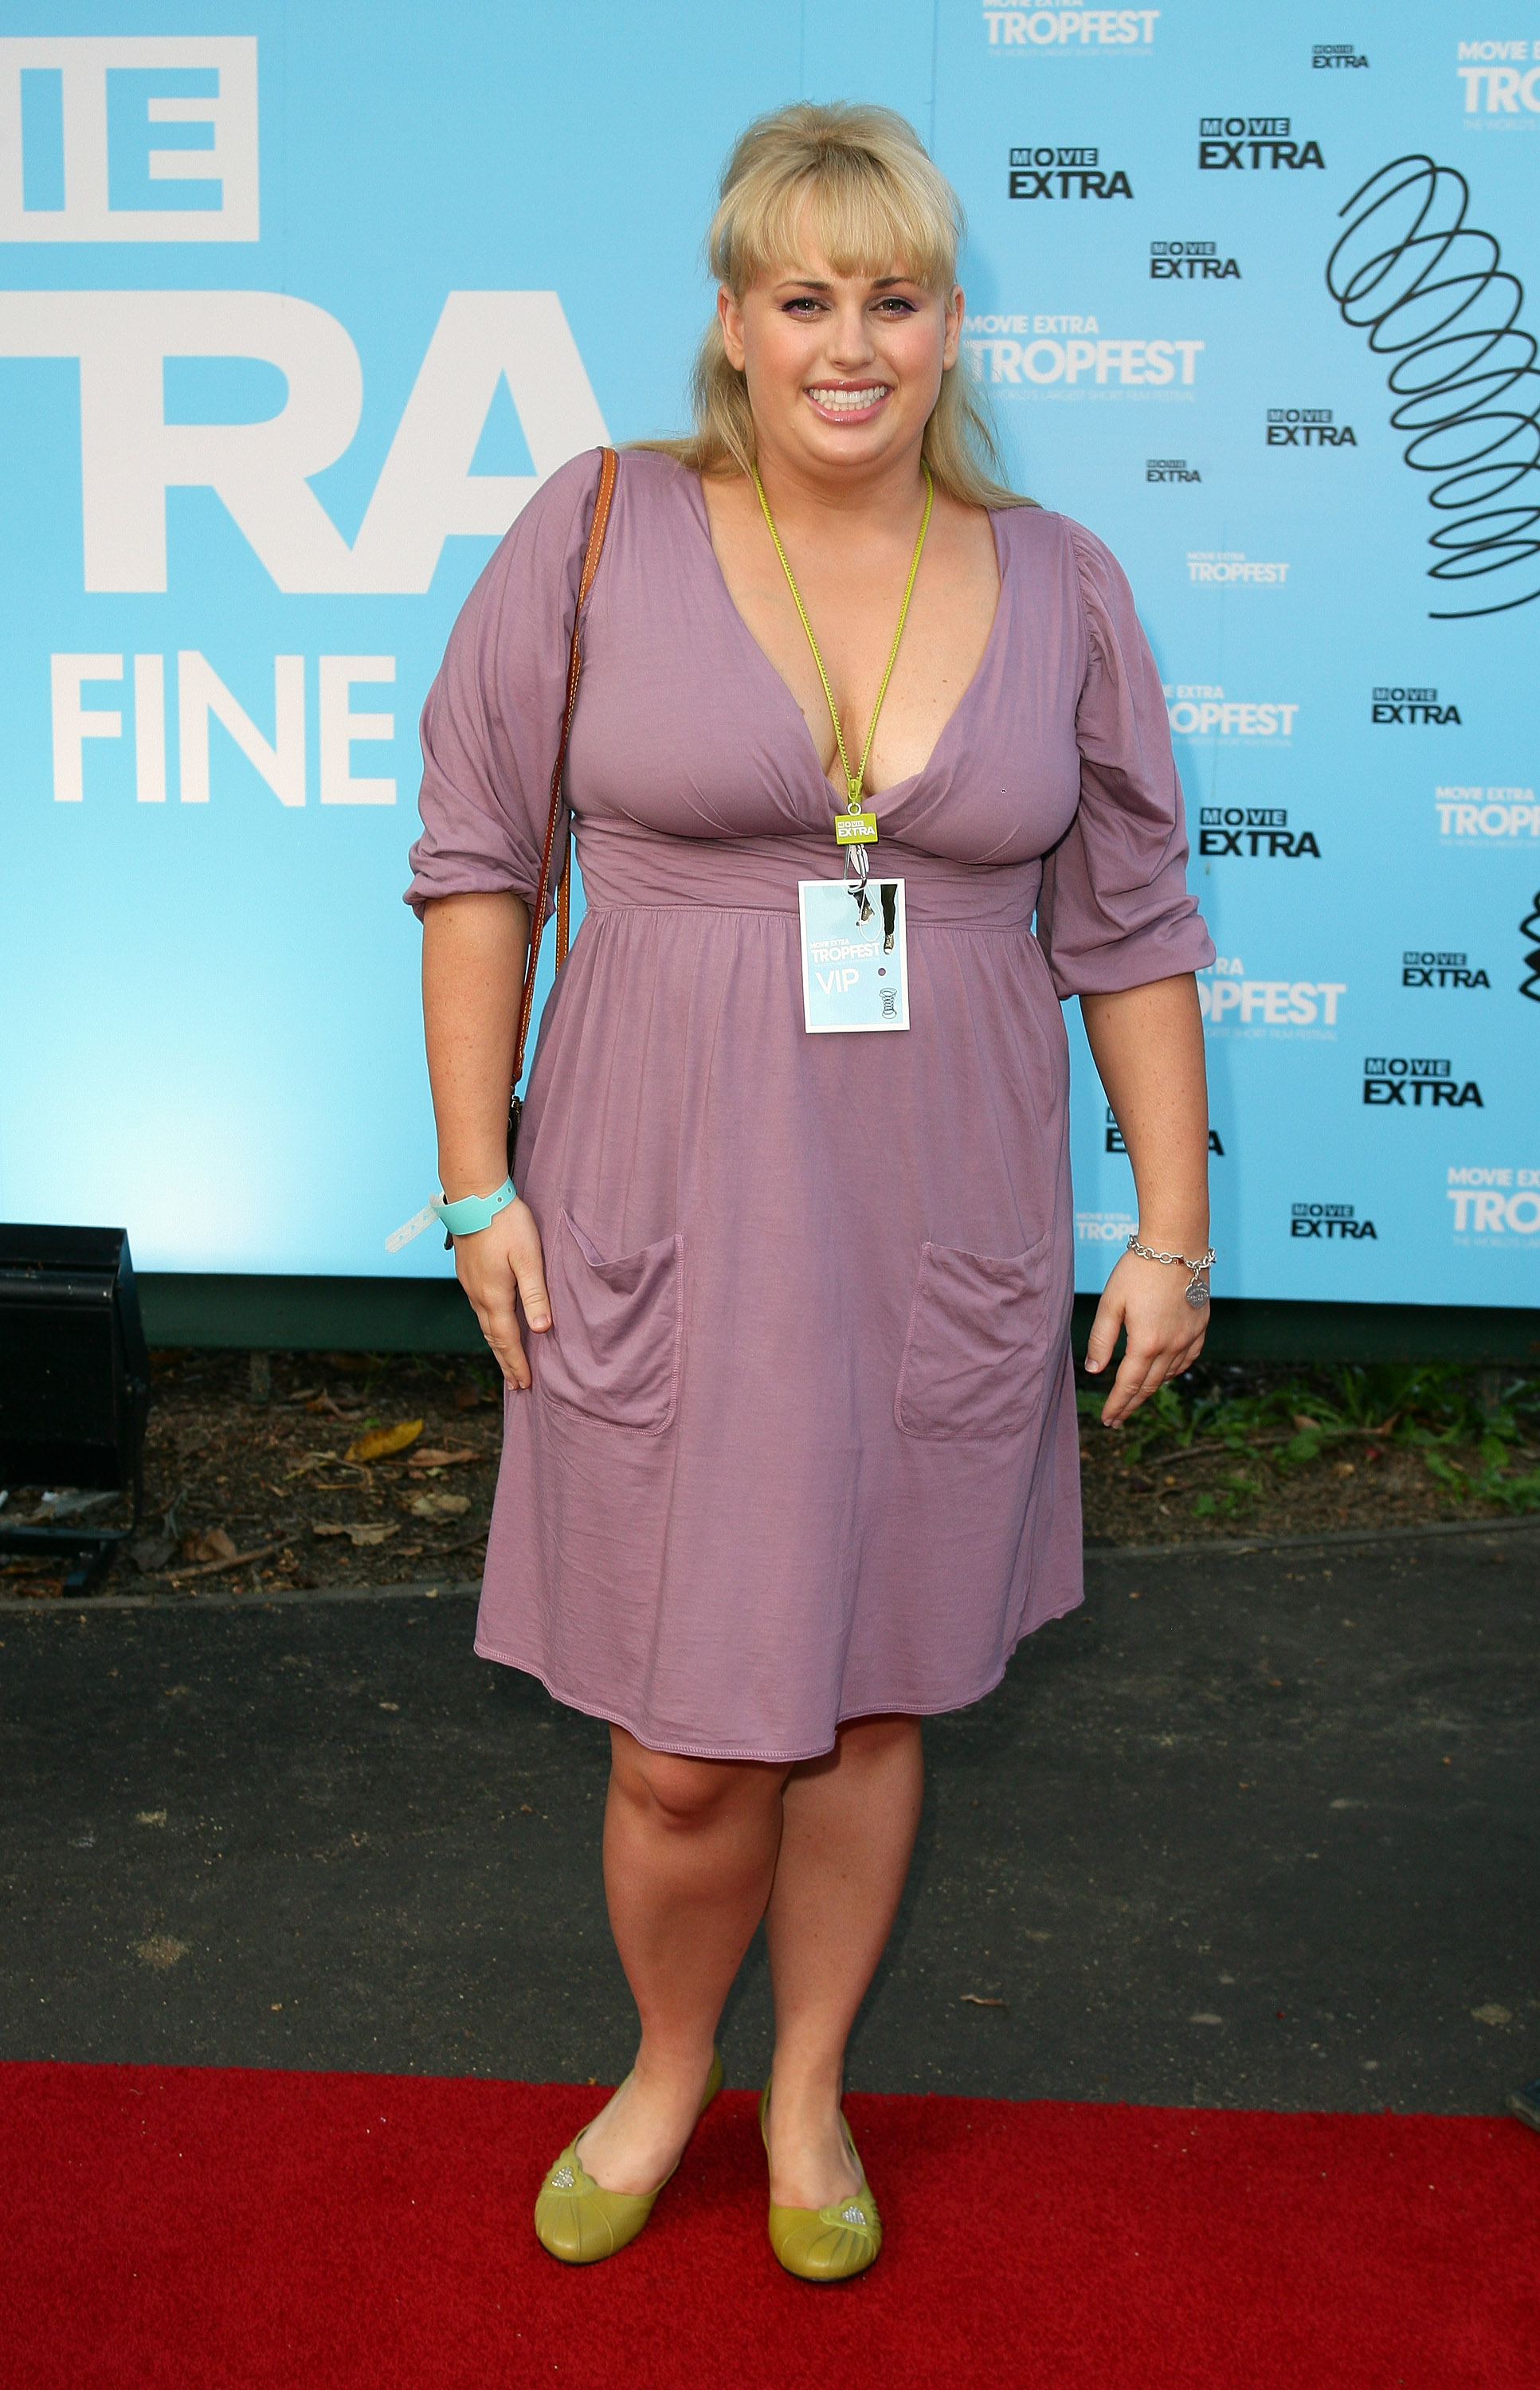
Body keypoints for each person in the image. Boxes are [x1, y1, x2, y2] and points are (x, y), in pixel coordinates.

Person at [407, 101, 1214, 2280]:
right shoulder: (596, 529)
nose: (849, 342)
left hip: (936, 1212)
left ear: (954, 323)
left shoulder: (1061, 580)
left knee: (873, 1693)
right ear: (737, 325)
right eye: (805, 298)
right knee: (683, 1746)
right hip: (659, 1203)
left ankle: (811, 2089)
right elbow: (479, 869)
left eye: (895, 297)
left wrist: (1170, 1230)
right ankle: (669, 2062)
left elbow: (1127, 923)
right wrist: (477, 1188)